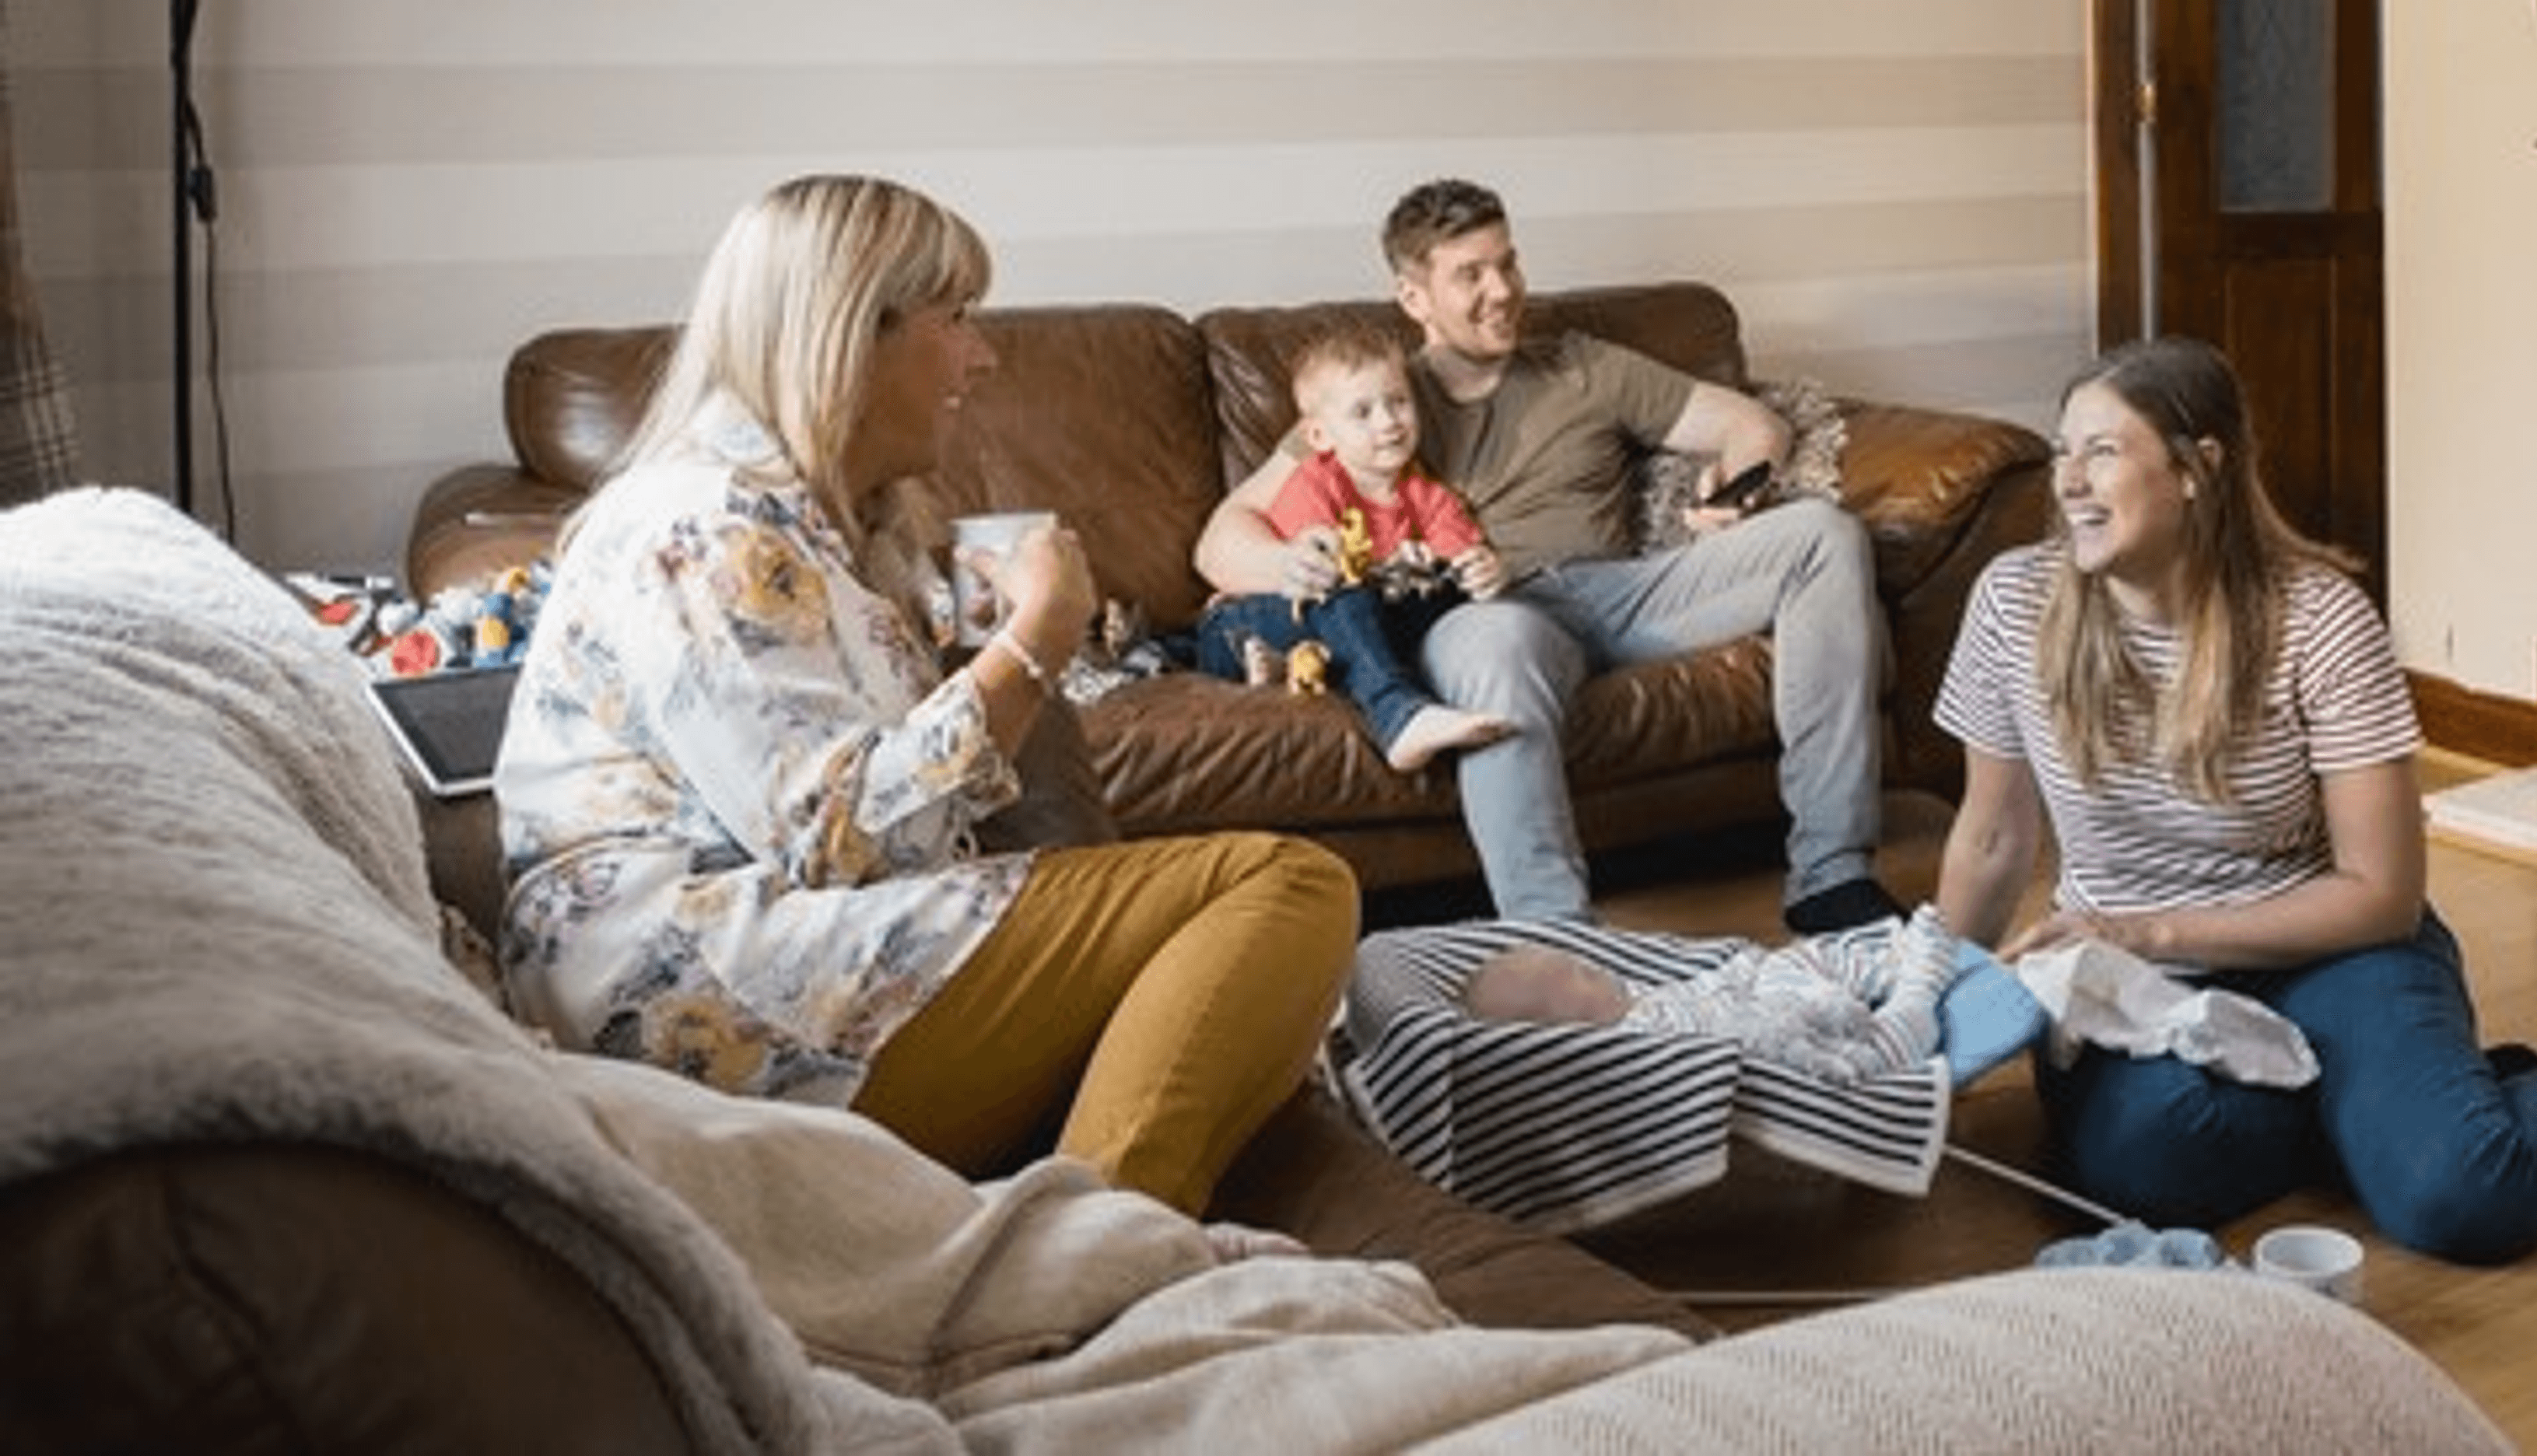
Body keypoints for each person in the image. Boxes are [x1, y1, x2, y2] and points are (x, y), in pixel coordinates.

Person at [493, 174, 1357, 1217]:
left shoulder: (809, 526)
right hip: (703, 998)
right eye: (958, 320)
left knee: (1232, 970)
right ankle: (1095, 1257)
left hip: (760, 970)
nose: (983, 357)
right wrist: (1038, 638)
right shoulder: (704, 525)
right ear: (852, 334)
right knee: (1290, 886)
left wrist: (971, 659)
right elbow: (839, 837)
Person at [1930, 334, 2537, 1264]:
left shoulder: (2317, 621)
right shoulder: (2013, 604)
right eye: (2061, 452)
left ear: (2199, 469)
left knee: (2467, 1196)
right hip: (2128, 982)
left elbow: (2381, 894)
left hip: (2330, 947)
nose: (2069, 481)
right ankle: (2399, 1107)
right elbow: (1993, 837)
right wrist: (1930, 1022)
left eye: (2103, 451)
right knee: (2146, 1176)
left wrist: (2142, 930)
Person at [1195, 177, 1901, 933]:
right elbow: (1221, 536)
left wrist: (1737, 486)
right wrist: (1287, 565)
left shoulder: (1584, 365)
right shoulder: (1381, 401)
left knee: (1825, 536)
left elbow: (1752, 423)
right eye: (1470, 274)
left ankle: (1833, 876)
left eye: (1508, 263)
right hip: (1485, 611)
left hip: (1623, 593)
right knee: (1497, 643)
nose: (1502, 290)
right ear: (1413, 296)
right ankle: (1557, 937)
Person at [1192, 326, 1514, 772]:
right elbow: (1328, 571)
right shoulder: (1316, 482)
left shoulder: (1430, 497)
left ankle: (1291, 667)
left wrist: (1482, 572)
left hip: (1340, 627)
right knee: (1347, 598)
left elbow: (1458, 566)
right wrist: (1399, 566)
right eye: (1363, 412)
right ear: (1320, 437)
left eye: (1398, 402)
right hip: (1247, 621)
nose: (1389, 422)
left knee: (1436, 599)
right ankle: (1400, 716)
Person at [1461, 906, 1962, 1083]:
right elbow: (1746, 1039)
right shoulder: (1644, 1040)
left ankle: (1881, 968)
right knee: (1893, 1038)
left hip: (1777, 1001)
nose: (1596, 967)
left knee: (1797, 960)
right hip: (1818, 1048)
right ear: (1572, 1035)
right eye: (1583, 977)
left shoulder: (1641, 1003)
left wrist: (1748, 968)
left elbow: (1708, 990)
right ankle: (1920, 979)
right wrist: (1814, 1011)